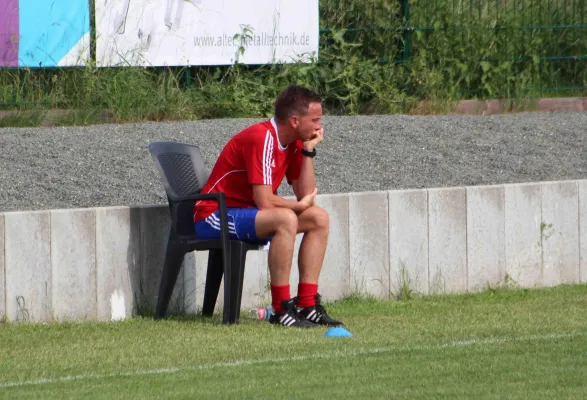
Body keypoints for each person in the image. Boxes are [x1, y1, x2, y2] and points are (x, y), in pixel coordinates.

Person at [193, 85, 343, 328]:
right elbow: (264, 200)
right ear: (295, 120)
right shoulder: (262, 137)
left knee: (318, 218)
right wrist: (297, 206)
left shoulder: (295, 142)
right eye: (314, 120)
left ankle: (307, 305)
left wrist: (308, 151)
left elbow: (306, 195)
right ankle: (281, 309)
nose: (319, 126)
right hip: (213, 214)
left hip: (247, 213)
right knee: (286, 219)